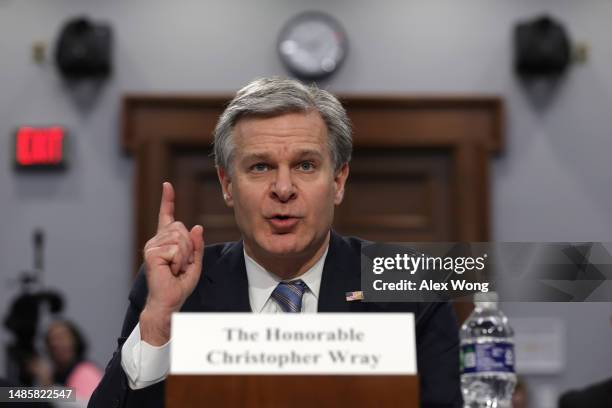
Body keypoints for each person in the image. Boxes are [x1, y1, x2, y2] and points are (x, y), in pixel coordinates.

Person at [88, 77, 462, 407]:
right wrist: (159, 324)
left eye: (305, 165)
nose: (283, 189)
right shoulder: (179, 287)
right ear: (227, 185)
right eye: (260, 167)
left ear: (338, 181)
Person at [28, 320, 102, 402]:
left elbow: (84, 403)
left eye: (61, 338)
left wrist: (48, 387)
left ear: (75, 341)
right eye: (50, 340)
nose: (55, 344)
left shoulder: (86, 371)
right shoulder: (56, 374)